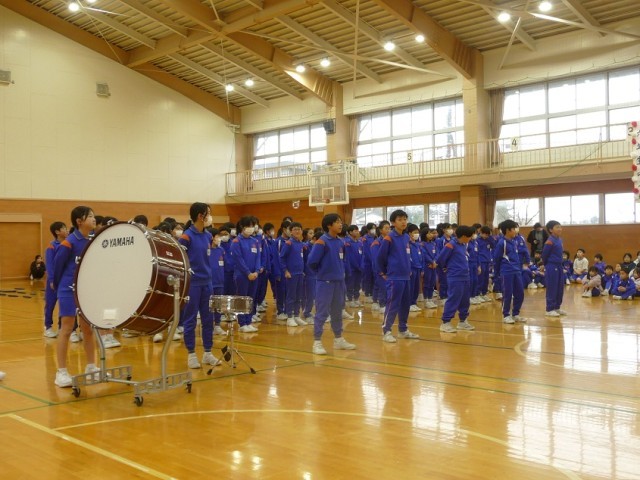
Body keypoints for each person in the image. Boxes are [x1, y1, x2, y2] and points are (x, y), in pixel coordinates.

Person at [51, 206, 98, 388]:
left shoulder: (93, 241)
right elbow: (57, 267)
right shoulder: (68, 243)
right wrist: (58, 287)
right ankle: (61, 372)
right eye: (90, 216)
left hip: (85, 290)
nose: (94, 219)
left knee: (88, 328)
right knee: (67, 328)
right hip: (68, 289)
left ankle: (91, 367)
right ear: (79, 221)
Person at [178, 202, 220, 369]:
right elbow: (180, 260)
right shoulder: (186, 237)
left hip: (207, 283)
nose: (210, 216)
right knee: (190, 320)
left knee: (208, 319)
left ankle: (207, 353)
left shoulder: (208, 236)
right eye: (208, 213)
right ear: (200, 216)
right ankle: (191, 354)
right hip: (193, 284)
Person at [307, 213, 356, 355]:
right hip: (325, 283)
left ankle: (338, 339)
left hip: (339, 282)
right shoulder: (322, 242)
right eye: (337, 222)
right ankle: (317, 342)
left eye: (341, 222)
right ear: (329, 225)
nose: (340, 224)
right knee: (322, 313)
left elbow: (342, 260)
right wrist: (323, 274)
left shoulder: (340, 242)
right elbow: (311, 262)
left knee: (337, 312)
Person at [377, 210, 420, 342]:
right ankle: (387, 331)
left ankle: (403, 329)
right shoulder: (389, 238)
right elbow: (380, 257)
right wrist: (383, 272)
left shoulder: (406, 237)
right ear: (393, 222)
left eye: (405, 219)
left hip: (406, 276)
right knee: (392, 305)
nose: (403, 222)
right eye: (400, 219)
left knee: (405, 305)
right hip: (394, 277)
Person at [435, 225, 476, 333]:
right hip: (455, 277)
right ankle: (446, 322)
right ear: (463, 236)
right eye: (469, 237)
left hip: (465, 276)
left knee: (465, 300)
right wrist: (445, 270)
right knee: (453, 299)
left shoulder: (464, 245)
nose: (470, 238)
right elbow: (440, 260)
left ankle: (462, 321)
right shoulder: (450, 245)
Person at [231, 216, 262, 333]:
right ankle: (242, 323)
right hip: (242, 275)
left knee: (251, 299)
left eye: (252, 226)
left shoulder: (255, 241)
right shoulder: (236, 242)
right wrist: (248, 273)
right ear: (242, 227)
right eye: (249, 226)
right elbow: (239, 260)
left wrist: (257, 271)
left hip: (254, 275)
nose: (251, 228)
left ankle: (249, 321)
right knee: (242, 299)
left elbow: (258, 258)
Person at [494, 220, 527, 324]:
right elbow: (497, 259)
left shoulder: (514, 241)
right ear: (508, 230)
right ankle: (506, 315)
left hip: (517, 271)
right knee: (507, 294)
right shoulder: (501, 243)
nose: (515, 230)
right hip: (507, 272)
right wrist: (497, 274)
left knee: (520, 293)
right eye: (513, 228)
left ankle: (516, 314)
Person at [279, 222, 308, 327]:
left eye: (299, 229)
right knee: (291, 296)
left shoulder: (301, 244)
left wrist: (303, 271)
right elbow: (282, 258)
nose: (297, 231)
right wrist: (285, 271)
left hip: (300, 273)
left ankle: (296, 315)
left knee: (298, 296)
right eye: (295, 229)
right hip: (291, 274)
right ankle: (290, 317)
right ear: (291, 232)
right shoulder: (288, 243)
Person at [43, 221, 68, 338]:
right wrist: (52, 280)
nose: (67, 230)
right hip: (54, 281)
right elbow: (49, 265)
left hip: (65, 280)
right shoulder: (51, 247)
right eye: (64, 228)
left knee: (64, 304)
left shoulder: (68, 245)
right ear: (57, 232)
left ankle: (60, 327)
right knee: (50, 304)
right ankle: (47, 327)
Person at [541, 220, 567, 317]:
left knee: (560, 287)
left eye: (560, 227)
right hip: (552, 266)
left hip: (559, 266)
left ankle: (557, 307)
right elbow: (544, 255)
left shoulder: (560, 240)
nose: (560, 229)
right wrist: (547, 265)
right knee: (552, 287)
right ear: (551, 230)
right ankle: (549, 309)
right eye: (557, 227)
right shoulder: (549, 241)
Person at [344, 225, 364, 308]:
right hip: (352, 268)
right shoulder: (347, 242)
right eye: (355, 231)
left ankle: (356, 299)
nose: (357, 232)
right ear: (350, 232)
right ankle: (350, 299)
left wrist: (361, 265)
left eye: (357, 230)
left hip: (359, 268)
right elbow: (349, 257)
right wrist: (356, 266)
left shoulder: (359, 242)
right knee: (350, 284)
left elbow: (362, 255)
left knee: (357, 284)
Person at [407, 223, 423, 312]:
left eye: (417, 232)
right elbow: (408, 257)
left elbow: (420, 256)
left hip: (418, 267)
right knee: (411, 287)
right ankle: (409, 304)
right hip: (412, 268)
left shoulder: (417, 244)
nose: (417, 234)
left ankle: (413, 302)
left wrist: (422, 267)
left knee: (416, 287)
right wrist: (409, 268)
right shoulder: (407, 244)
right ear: (410, 233)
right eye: (415, 232)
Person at [420, 227, 438, 309]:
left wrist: (435, 261)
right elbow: (424, 255)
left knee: (432, 282)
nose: (431, 235)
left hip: (433, 266)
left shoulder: (433, 244)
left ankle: (430, 299)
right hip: (427, 266)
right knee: (427, 283)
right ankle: (426, 300)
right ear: (424, 234)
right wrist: (431, 262)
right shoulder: (422, 244)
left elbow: (437, 253)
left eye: (431, 233)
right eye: (429, 233)